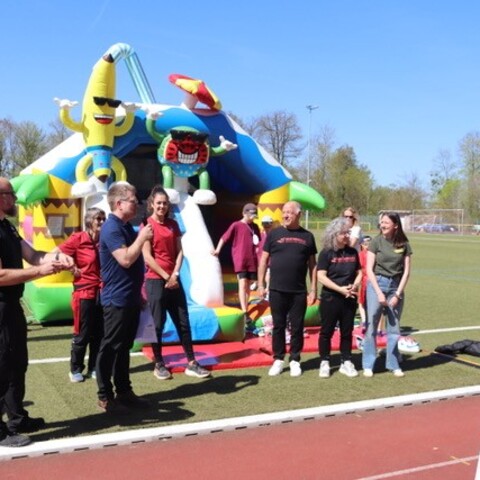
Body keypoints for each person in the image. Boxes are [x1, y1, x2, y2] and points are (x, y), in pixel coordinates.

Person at [0, 177, 74, 447]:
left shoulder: (7, 227)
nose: (15, 199)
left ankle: (17, 418)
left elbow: (34, 256)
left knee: (17, 363)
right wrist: (39, 272)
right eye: (11, 193)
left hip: (12, 306)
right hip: (1, 307)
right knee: (2, 366)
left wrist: (57, 257)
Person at [96, 182, 153, 414]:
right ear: (119, 204)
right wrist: (142, 238)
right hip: (116, 299)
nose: (137, 203)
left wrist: (138, 294)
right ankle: (105, 396)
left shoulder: (126, 227)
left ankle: (124, 391)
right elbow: (126, 259)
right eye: (133, 200)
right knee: (110, 347)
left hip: (129, 298)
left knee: (124, 347)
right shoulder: (111, 228)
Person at [142, 185, 210, 380]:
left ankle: (192, 362)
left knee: (183, 321)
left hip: (174, 280)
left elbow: (179, 251)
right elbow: (147, 257)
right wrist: (166, 276)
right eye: (158, 203)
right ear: (152, 204)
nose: (162, 206)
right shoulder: (147, 226)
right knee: (157, 324)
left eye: (165, 203)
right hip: (156, 281)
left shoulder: (173, 224)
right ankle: (159, 363)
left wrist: (175, 274)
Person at [258, 201, 317, 377]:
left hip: (298, 291)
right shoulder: (274, 234)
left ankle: (295, 359)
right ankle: (278, 359)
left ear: (298, 214)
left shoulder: (308, 236)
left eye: (289, 212)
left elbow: (313, 265)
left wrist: (313, 289)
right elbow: (263, 260)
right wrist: (261, 284)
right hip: (277, 289)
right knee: (278, 326)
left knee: (297, 327)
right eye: (284, 212)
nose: (285, 215)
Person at [54, 208, 106, 383]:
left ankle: (94, 367)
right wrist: (70, 266)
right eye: (98, 219)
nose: (102, 222)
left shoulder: (105, 240)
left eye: (103, 219)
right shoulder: (78, 238)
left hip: (102, 291)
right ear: (89, 221)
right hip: (84, 292)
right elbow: (55, 253)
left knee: (99, 333)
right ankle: (75, 369)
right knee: (83, 333)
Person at [362, 212, 412, 378]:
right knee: (372, 326)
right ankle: (368, 364)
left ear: (395, 225)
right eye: (381, 222)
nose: (382, 225)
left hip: (396, 286)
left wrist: (397, 294)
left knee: (394, 328)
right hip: (377, 284)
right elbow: (369, 269)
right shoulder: (376, 242)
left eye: (386, 222)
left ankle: (393, 364)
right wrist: (378, 293)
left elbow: (406, 272)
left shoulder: (404, 244)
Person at [317, 217, 362, 378]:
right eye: (344, 233)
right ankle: (325, 361)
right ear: (334, 234)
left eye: (348, 232)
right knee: (326, 332)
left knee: (347, 331)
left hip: (349, 297)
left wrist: (354, 286)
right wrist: (340, 289)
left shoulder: (352, 252)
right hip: (331, 298)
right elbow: (321, 276)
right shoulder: (326, 252)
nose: (347, 235)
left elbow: (359, 272)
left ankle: (346, 361)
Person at [212, 203, 260, 324]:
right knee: (242, 283)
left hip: (252, 260)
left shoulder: (255, 227)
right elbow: (224, 238)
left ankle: (245, 306)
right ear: (244, 213)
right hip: (240, 259)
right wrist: (217, 250)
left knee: (248, 285)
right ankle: (244, 311)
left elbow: (258, 242)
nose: (253, 218)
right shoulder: (236, 225)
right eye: (251, 215)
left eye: (254, 216)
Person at [357, 235, 372, 326]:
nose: (367, 246)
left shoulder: (361, 254)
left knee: (362, 302)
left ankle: (365, 320)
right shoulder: (361, 254)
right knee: (362, 301)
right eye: (365, 244)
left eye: (369, 244)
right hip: (365, 280)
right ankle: (365, 321)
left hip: (367, 280)